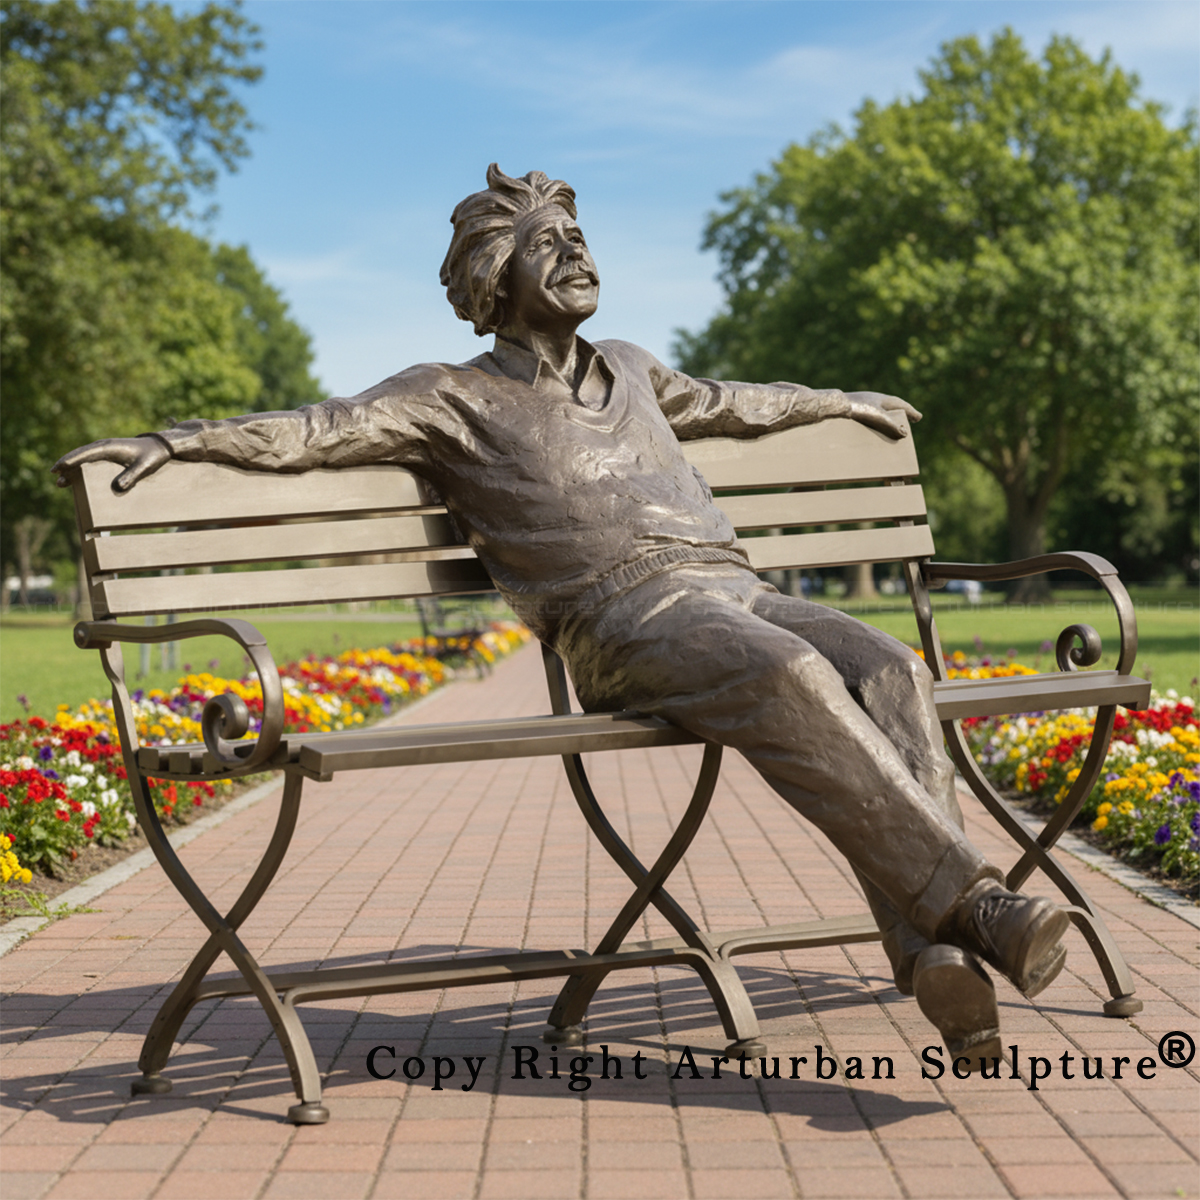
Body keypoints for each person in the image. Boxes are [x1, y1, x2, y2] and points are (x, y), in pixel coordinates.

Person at [55, 164, 1068, 1069]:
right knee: (789, 675)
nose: (575, 248)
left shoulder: (631, 365)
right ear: (494, 276)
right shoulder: (447, 395)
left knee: (889, 662)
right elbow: (318, 432)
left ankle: (933, 947)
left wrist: (844, 403)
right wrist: (185, 439)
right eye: (548, 241)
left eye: (579, 236)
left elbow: (735, 400)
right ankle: (978, 904)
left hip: (738, 592)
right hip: (625, 621)